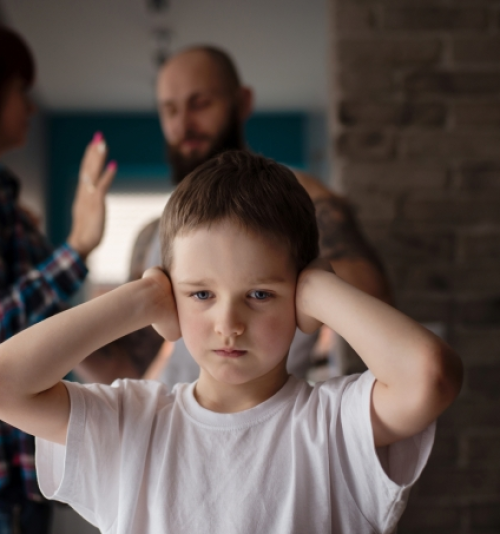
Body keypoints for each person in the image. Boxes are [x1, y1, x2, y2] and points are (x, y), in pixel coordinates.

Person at [0, 151, 462, 533]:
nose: (229, 323)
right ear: (170, 293)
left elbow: (431, 375)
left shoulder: (335, 425)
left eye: (260, 294)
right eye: (201, 293)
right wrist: (141, 300)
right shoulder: (130, 423)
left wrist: (322, 290)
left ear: (299, 294)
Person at [76, 45, 392, 387]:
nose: (184, 125)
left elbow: (374, 302)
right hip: (180, 425)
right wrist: (72, 255)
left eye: (200, 104)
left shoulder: (303, 201)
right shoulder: (154, 235)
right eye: (170, 110)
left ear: (242, 102)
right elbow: (128, 368)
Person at [0, 26, 116, 533]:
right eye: (21, 92)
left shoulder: (13, 208)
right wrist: (76, 248)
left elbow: (38, 325)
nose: (30, 108)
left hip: (22, 469)